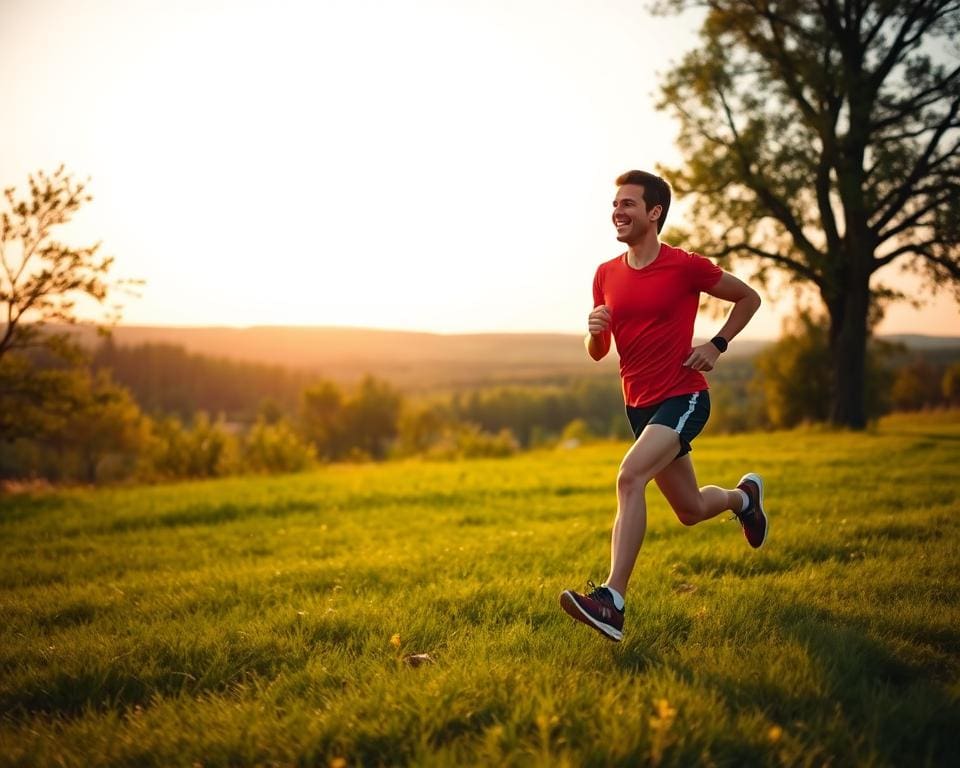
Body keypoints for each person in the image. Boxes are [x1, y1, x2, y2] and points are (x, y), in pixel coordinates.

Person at [559, 170, 768, 642]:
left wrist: (716, 345)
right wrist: (594, 333)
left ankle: (611, 601)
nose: (618, 211)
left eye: (629, 204)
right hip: (639, 406)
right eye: (616, 204)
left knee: (630, 477)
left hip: (684, 394)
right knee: (691, 509)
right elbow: (600, 352)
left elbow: (748, 298)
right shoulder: (605, 274)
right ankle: (744, 499)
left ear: (654, 213)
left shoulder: (685, 266)